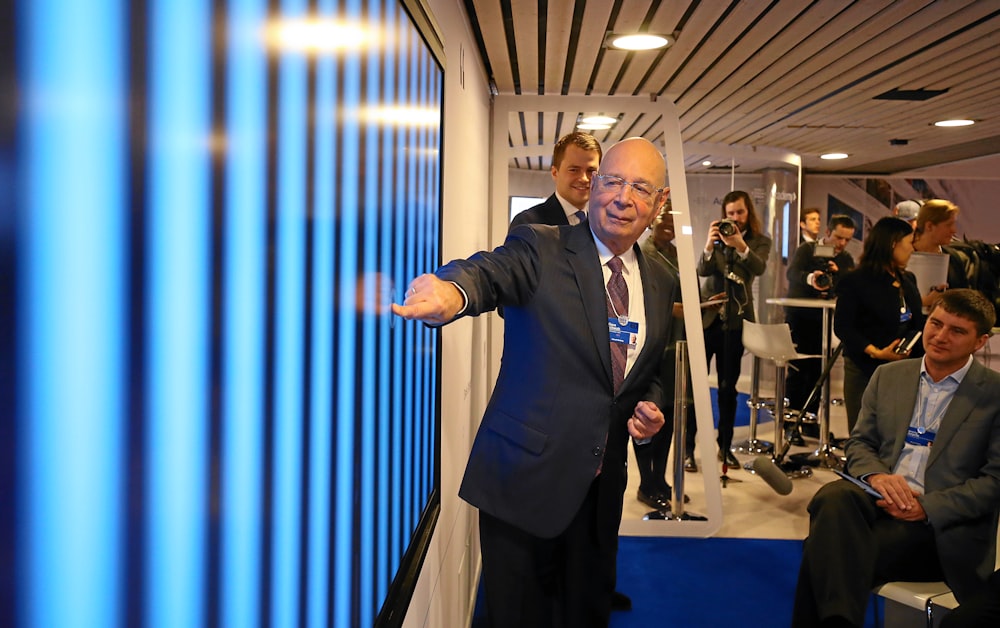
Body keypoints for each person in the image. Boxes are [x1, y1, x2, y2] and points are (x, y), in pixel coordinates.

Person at [393, 137, 676, 627]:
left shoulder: (662, 279)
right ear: (593, 185)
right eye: (611, 181)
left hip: (601, 488)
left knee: (585, 613)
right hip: (523, 482)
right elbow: (489, 273)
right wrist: (452, 290)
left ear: (659, 201)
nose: (622, 197)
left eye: (639, 187)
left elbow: (645, 368)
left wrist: (647, 406)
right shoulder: (540, 246)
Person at [792, 288, 1000, 628]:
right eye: (936, 323)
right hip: (876, 502)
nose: (940, 336)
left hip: (939, 529)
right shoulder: (889, 375)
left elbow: (994, 482)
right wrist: (877, 477)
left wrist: (926, 507)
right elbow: (859, 444)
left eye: (957, 330)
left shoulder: (994, 394)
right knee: (833, 496)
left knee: (824, 550)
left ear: (980, 341)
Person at [698, 190, 771, 469]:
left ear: (748, 212)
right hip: (708, 321)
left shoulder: (758, 242)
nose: (735, 218)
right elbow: (703, 271)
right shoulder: (716, 240)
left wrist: (740, 245)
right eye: (730, 214)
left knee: (728, 388)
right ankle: (689, 448)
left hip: (736, 322)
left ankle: (724, 447)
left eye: (740, 213)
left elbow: (758, 268)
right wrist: (708, 244)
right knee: (696, 386)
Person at [834, 216, 925, 434]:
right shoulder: (856, 280)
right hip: (865, 369)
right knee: (864, 434)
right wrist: (875, 352)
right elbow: (843, 327)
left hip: (902, 369)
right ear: (893, 243)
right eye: (909, 242)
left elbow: (914, 317)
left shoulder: (907, 279)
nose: (912, 248)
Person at [634, 204, 697, 512]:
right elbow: (640, 299)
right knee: (647, 414)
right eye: (665, 221)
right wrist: (676, 309)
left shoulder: (676, 254)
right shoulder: (642, 253)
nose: (670, 227)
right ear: (652, 222)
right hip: (653, 345)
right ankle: (646, 483)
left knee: (670, 417)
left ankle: (659, 480)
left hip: (677, 346)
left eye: (675, 222)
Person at [783, 215, 856, 443]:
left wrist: (839, 273)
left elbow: (851, 284)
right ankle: (791, 424)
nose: (841, 243)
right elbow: (792, 274)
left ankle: (811, 422)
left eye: (847, 239)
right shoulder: (807, 250)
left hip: (825, 321)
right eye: (838, 237)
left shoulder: (845, 258)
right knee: (798, 372)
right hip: (800, 317)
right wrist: (810, 277)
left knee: (818, 372)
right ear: (827, 232)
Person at [509, 131, 601, 229]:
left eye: (591, 171)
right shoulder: (528, 224)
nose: (584, 178)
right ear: (555, 173)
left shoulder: (601, 224)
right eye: (574, 170)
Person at [913, 199, 969, 296]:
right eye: (948, 225)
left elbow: (962, 300)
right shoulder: (902, 255)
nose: (954, 230)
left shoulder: (954, 259)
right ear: (929, 226)